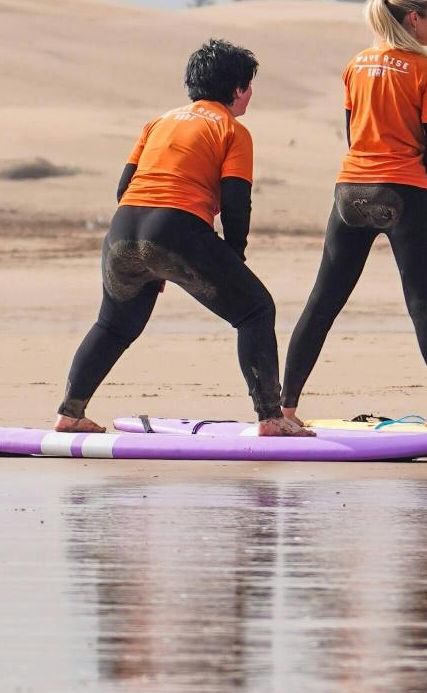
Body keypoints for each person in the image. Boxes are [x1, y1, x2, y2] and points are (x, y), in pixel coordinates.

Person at [56, 39, 307, 436]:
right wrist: (233, 256)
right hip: (175, 227)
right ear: (239, 89)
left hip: (123, 230)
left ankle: (70, 413)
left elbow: (125, 186)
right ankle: (271, 418)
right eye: (249, 86)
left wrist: (146, 255)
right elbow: (236, 201)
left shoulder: (158, 122)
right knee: (255, 310)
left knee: (113, 325)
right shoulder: (231, 129)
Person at [282, 0, 427, 427]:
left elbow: (354, 135)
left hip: (349, 191)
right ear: (413, 19)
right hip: (401, 191)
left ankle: (283, 408)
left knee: (322, 303)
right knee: (424, 305)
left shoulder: (355, 65)